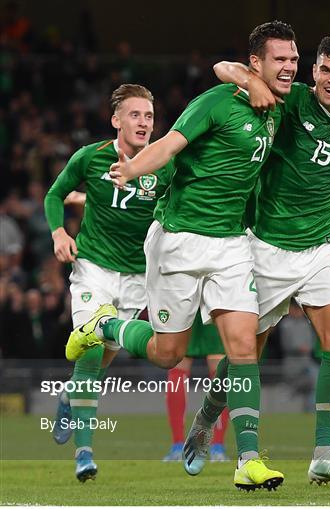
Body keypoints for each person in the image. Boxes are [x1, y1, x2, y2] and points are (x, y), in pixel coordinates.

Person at [66, 20, 298, 491]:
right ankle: (103, 325)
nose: (290, 68)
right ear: (257, 63)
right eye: (280, 60)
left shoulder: (282, 102)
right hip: (178, 241)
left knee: (244, 347)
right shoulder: (214, 103)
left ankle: (248, 458)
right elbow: (169, 145)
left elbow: (321, 99)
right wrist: (131, 169)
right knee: (167, 356)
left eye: (294, 59)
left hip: (232, 244)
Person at [188, 32, 330, 485]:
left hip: (320, 248)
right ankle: (206, 419)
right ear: (313, 71)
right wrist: (250, 78)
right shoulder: (291, 100)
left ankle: (323, 453)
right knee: (246, 355)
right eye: (324, 69)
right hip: (265, 248)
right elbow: (224, 69)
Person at [43, 84, 176, 482]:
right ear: (116, 120)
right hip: (94, 269)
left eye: (149, 116)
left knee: (100, 362)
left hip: (138, 277)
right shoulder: (91, 157)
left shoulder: (165, 165)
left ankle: (68, 396)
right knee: (89, 353)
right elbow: (55, 194)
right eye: (135, 115)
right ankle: (84, 454)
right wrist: (59, 233)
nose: (143, 123)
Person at [163, 313, 229, 462]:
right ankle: (217, 448)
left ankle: (178, 446)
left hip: (185, 295)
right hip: (214, 294)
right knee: (219, 369)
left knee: (178, 365)